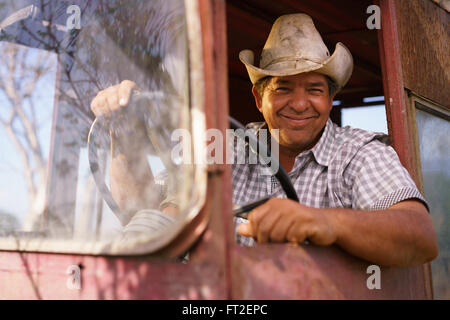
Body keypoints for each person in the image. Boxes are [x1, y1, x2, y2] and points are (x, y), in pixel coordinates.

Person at [90, 13, 438, 267]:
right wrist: (123, 134)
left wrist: (324, 222)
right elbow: (145, 214)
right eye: (282, 88)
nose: (299, 103)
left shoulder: (358, 153)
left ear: (330, 99)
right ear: (260, 99)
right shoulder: (228, 146)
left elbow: (419, 236)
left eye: (314, 90)